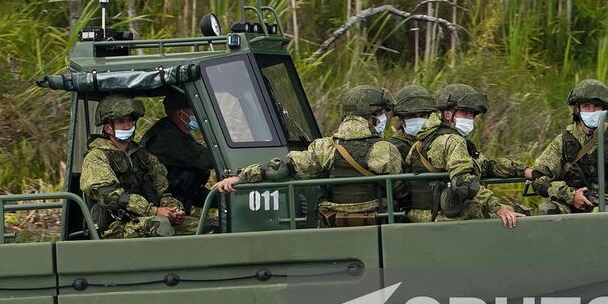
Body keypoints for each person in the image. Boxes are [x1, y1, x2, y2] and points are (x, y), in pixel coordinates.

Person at [214, 85, 402, 227]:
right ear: (372, 116)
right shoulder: (385, 149)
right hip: (376, 222)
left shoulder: (325, 147)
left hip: (335, 223)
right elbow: (400, 190)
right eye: (381, 113)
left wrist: (240, 177)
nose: (383, 118)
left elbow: (280, 169)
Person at [524, 79, 608, 214]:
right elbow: (539, 177)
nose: (591, 111)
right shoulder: (563, 141)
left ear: (604, 109)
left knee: (600, 213)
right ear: (577, 109)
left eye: (596, 107)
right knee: (547, 211)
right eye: (586, 106)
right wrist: (571, 196)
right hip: (571, 204)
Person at [402, 84, 521, 227]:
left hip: (419, 216)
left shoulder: (422, 142)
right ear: (447, 114)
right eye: (465, 112)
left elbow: (484, 165)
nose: (470, 118)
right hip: (445, 218)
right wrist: (497, 208)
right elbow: (463, 181)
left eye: (472, 114)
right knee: (519, 213)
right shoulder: (453, 140)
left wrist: (522, 170)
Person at [79, 94, 191, 238]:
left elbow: (162, 191)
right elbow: (111, 197)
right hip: (117, 226)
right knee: (160, 226)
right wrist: (154, 211)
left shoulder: (143, 155)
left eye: (130, 121)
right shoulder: (97, 157)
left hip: (150, 218)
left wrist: (174, 210)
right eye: (121, 122)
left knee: (210, 226)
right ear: (108, 128)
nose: (127, 126)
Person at [139, 91, 215, 213]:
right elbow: (207, 159)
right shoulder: (167, 138)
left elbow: (187, 189)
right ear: (180, 113)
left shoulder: (176, 132)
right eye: (195, 110)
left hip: (176, 207)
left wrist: (219, 198)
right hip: (165, 211)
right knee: (215, 229)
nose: (200, 114)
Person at [384, 84, 435, 214]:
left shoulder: (439, 141)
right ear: (401, 119)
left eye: (422, 115)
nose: (418, 120)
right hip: (405, 211)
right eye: (412, 115)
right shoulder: (391, 147)